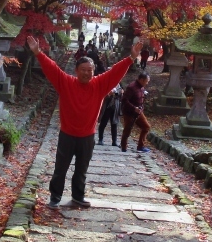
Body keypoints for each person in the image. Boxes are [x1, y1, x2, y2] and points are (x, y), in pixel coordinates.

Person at [27, 35, 143, 209]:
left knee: (81, 170)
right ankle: (55, 197)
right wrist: (38, 52)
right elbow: (52, 69)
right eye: (83, 69)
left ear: (94, 71)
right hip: (67, 134)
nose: (87, 73)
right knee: (61, 168)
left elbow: (114, 73)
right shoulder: (66, 82)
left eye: (90, 70)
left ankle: (78, 196)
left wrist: (131, 58)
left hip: (87, 136)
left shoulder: (99, 84)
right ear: (76, 70)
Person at [120, 72, 151, 153]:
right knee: (127, 129)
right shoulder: (132, 87)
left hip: (139, 112)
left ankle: (141, 146)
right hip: (129, 112)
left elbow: (141, 98)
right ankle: (124, 146)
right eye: (146, 81)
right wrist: (134, 108)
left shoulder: (141, 87)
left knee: (146, 127)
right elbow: (124, 100)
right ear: (141, 80)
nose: (147, 83)